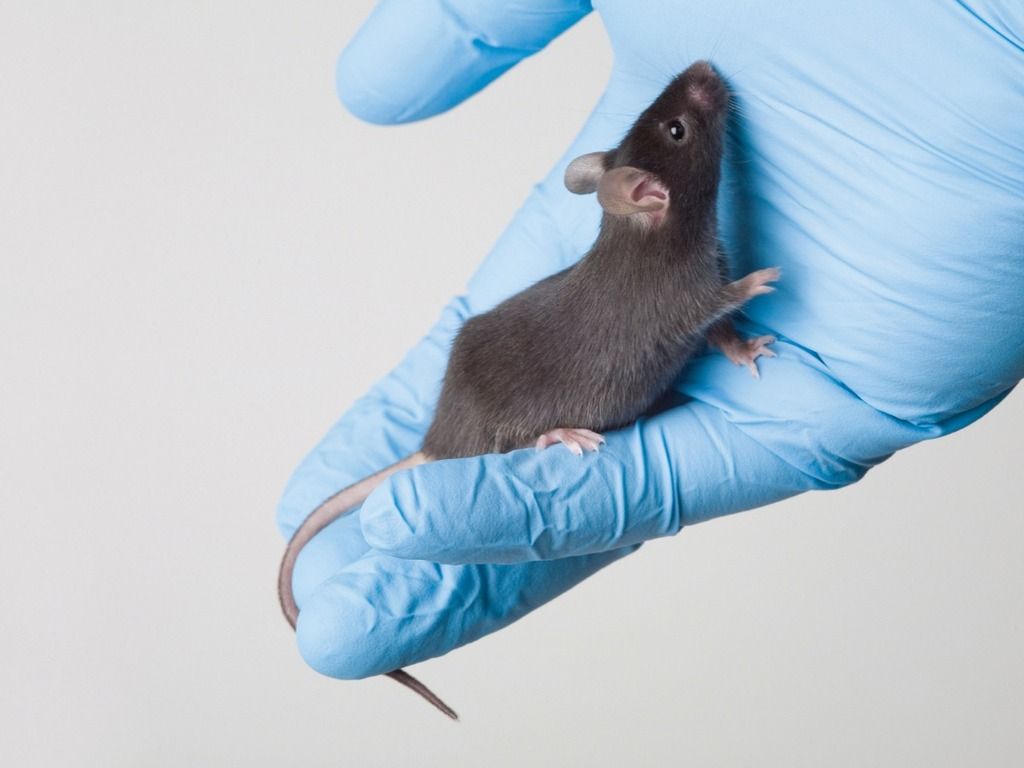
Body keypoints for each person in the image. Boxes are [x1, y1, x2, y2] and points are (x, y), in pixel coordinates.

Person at [276, 0, 1024, 678]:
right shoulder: (673, 249)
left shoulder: (663, 230)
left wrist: (729, 329)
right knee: (486, 443)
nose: (700, 82)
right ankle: (534, 437)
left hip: (527, 353)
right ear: (647, 194)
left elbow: (685, 307)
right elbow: (684, 306)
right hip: (509, 398)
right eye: (678, 125)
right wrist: (732, 298)